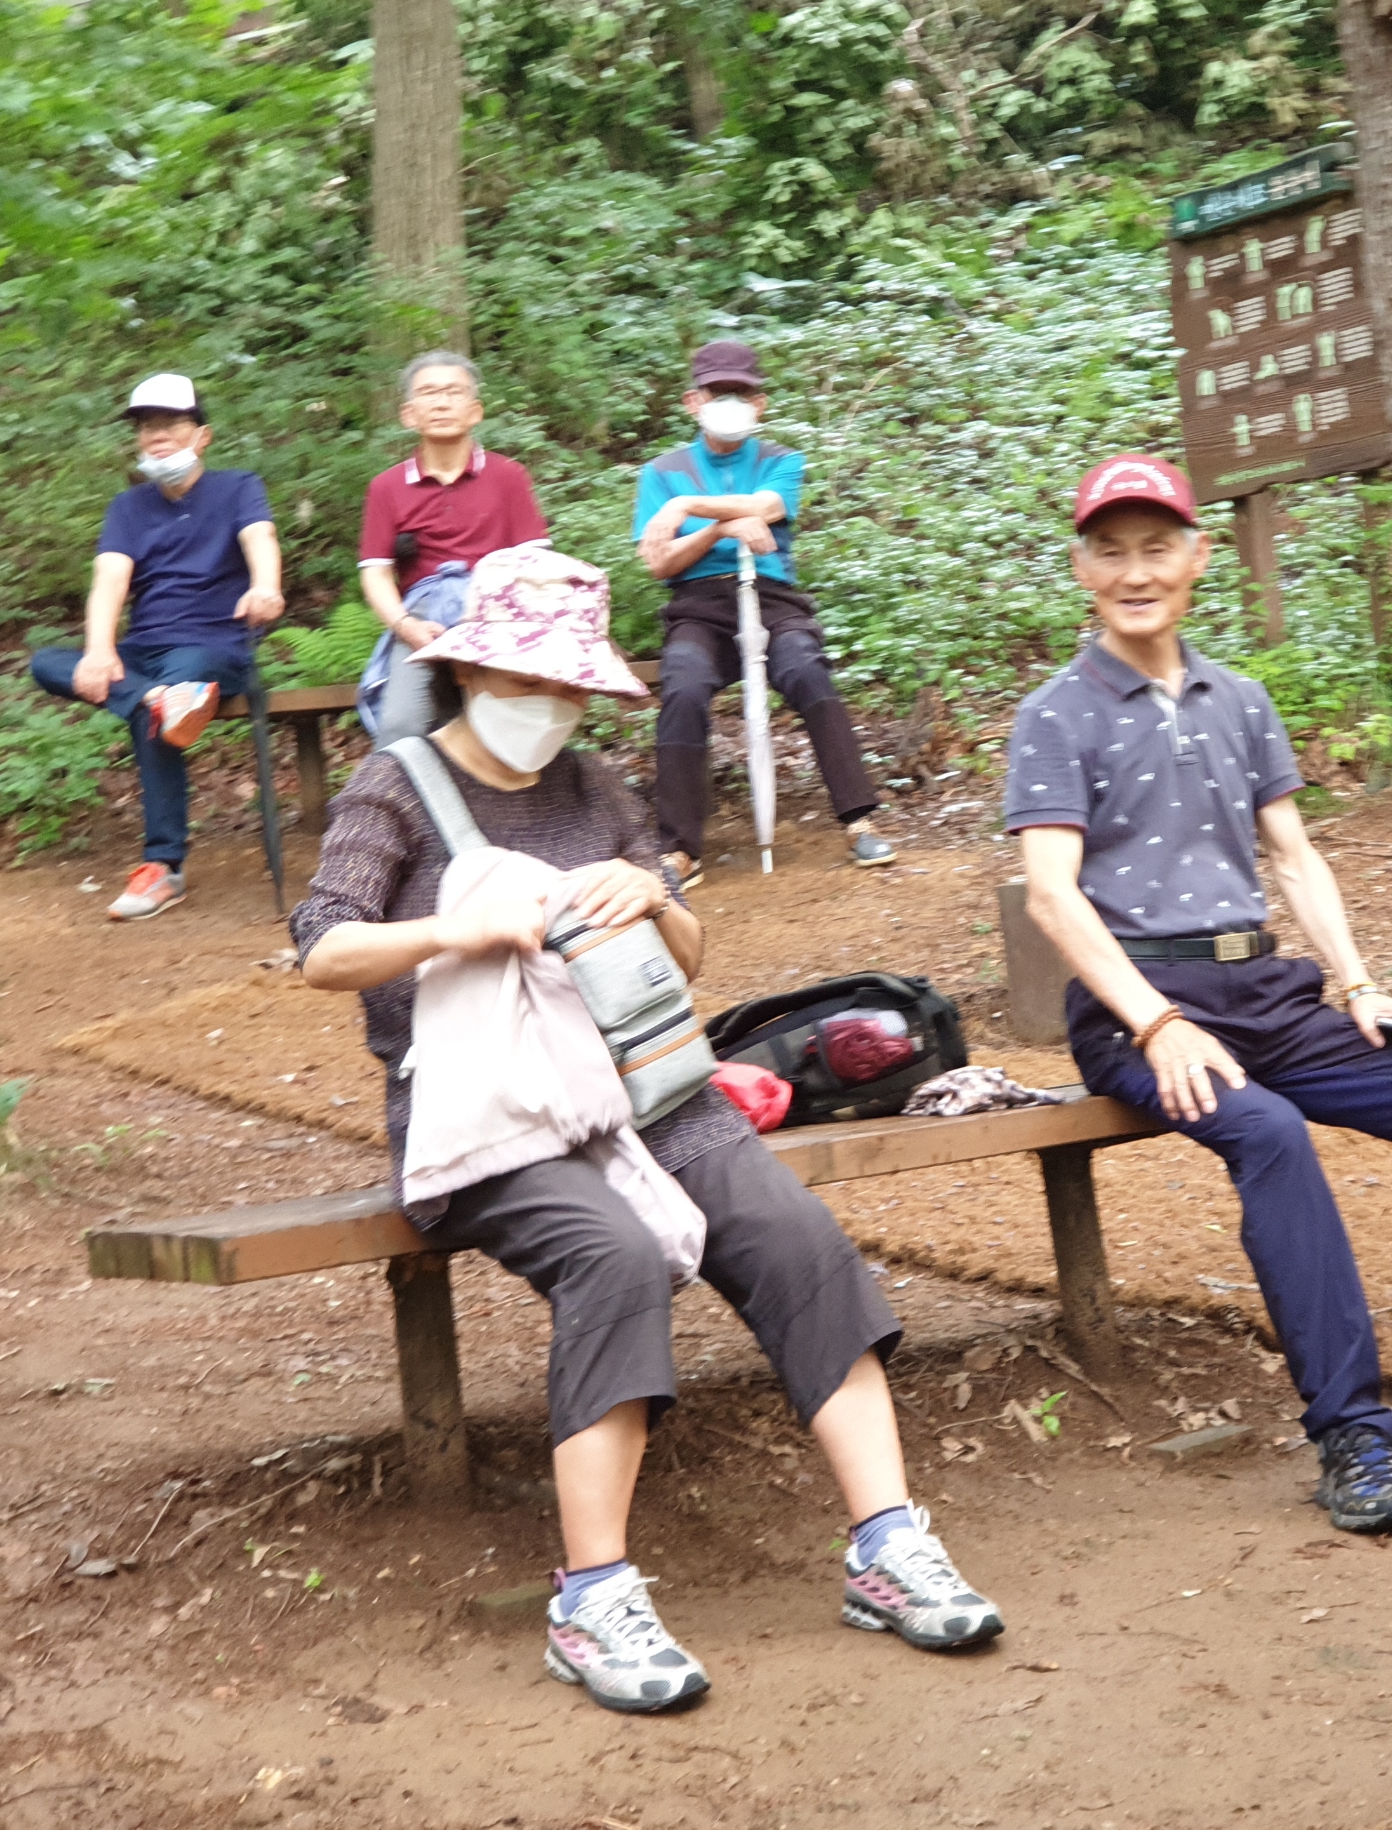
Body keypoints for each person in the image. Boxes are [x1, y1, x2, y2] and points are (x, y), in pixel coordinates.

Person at [293, 546, 1002, 1715]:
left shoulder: (596, 789)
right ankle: (593, 1598)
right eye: (526, 681)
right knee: (612, 1254)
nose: (548, 706)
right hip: (490, 1113)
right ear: (468, 671)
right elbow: (323, 947)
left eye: (567, 687)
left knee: (794, 1238)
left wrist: (655, 902)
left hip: (643, 1089)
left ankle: (886, 1545)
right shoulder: (395, 784)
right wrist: (458, 932)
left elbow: (688, 956)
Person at [1005, 454, 1392, 1537]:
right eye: (1110, 552)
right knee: (1271, 1134)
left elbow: (1292, 857)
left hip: (1268, 990)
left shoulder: (1240, 701)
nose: (1135, 572)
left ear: (1198, 558)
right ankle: (1351, 1431)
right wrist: (1157, 1024)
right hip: (1138, 1006)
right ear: (1082, 571)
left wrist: (1357, 983)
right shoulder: (1057, 714)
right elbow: (1052, 897)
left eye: (1156, 548)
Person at [634, 339, 895, 887]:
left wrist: (685, 508)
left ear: (759, 403)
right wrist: (718, 529)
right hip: (698, 605)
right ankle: (679, 848)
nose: (729, 402)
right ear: (693, 401)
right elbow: (659, 562)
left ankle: (859, 819)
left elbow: (767, 508)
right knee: (683, 685)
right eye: (717, 392)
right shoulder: (662, 471)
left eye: (741, 392)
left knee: (807, 669)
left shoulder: (781, 461)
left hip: (773, 598)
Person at [29, 372, 284, 921]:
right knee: (47, 662)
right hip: (144, 652)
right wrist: (100, 650)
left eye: (171, 424)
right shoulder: (129, 507)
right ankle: (155, 697)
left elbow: (259, 538)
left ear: (203, 436)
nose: (157, 436)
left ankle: (163, 865)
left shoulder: (238, 487)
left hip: (213, 647)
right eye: (146, 427)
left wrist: (266, 586)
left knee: (168, 697)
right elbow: (110, 580)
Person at [356, 351, 551, 746]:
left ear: (475, 411)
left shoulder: (508, 476)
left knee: (508, 728)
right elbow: (375, 571)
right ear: (408, 414)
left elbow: (536, 563)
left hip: (497, 614)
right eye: (429, 393)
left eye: (453, 392)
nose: (442, 403)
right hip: (421, 619)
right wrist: (404, 625)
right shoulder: (387, 487)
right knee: (400, 727)